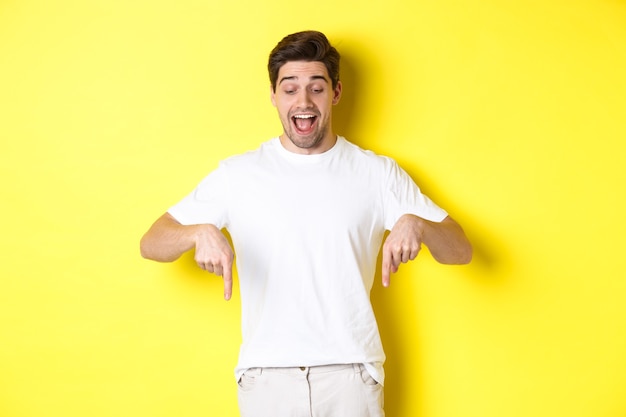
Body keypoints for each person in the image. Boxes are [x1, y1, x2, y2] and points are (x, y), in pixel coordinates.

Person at [140, 30, 472, 417]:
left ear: (336, 92)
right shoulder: (238, 174)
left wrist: (419, 224)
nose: (303, 101)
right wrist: (198, 231)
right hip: (266, 379)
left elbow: (460, 250)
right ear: (273, 95)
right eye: (290, 88)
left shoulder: (376, 173)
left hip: (351, 376)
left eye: (316, 88)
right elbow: (152, 242)